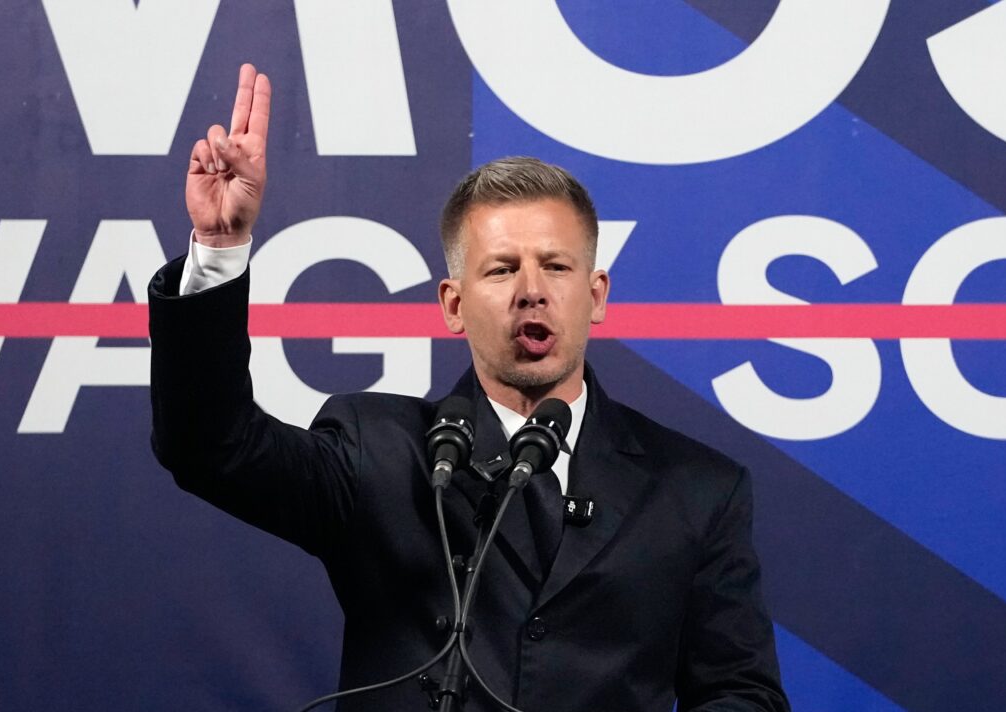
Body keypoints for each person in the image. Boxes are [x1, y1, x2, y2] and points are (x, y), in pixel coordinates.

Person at [149, 64, 789, 712]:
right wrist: (220, 247)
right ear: (453, 304)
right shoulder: (381, 453)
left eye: (556, 266)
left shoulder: (696, 488)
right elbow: (211, 445)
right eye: (502, 269)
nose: (531, 289)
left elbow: (740, 694)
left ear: (595, 296)